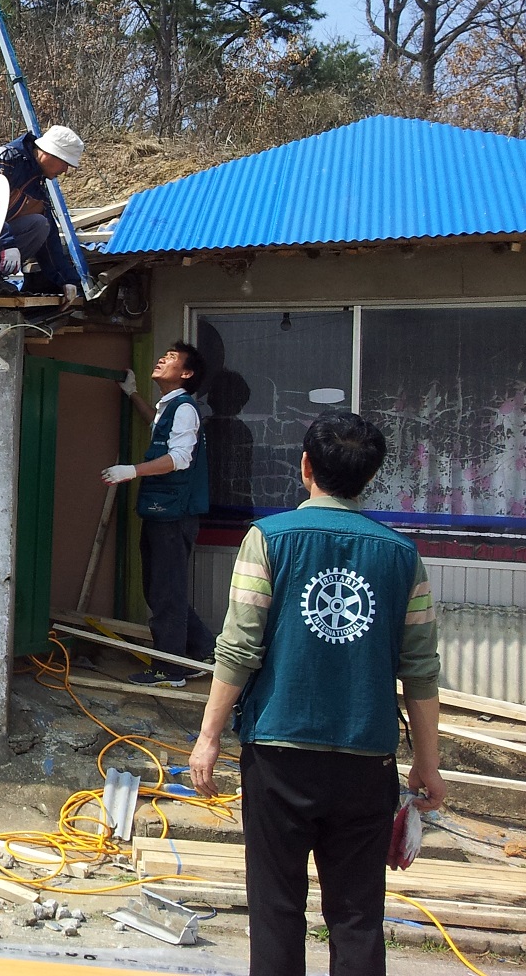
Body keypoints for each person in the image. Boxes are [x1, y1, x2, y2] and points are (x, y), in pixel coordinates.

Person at [188, 411, 443, 976]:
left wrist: (208, 738)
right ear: (368, 478)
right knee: (357, 918)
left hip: (279, 755)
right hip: (365, 761)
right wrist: (428, 762)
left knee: (277, 911)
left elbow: (238, 649)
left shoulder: (267, 539)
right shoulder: (403, 556)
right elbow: (420, 669)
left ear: (305, 467)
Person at [101, 341, 214, 686]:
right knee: (160, 590)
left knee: (166, 592)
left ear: (187, 373)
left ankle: (169, 669)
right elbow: (158, 423)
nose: (162, 358)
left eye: (172, 358)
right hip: (163, 511)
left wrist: (132, 471)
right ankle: (200, 651)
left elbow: (180, 457)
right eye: (163, 354)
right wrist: (133, 394)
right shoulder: (172, 408)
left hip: (173, 513)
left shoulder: (185, 408)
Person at [0, 124, 85, 299]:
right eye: (65, 163)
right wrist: (7, 244)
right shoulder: (4, 159)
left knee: (41, 224)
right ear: (49, 152)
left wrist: (67, 280)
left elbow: (50, 241)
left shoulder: (37, 186)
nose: (65, 171)